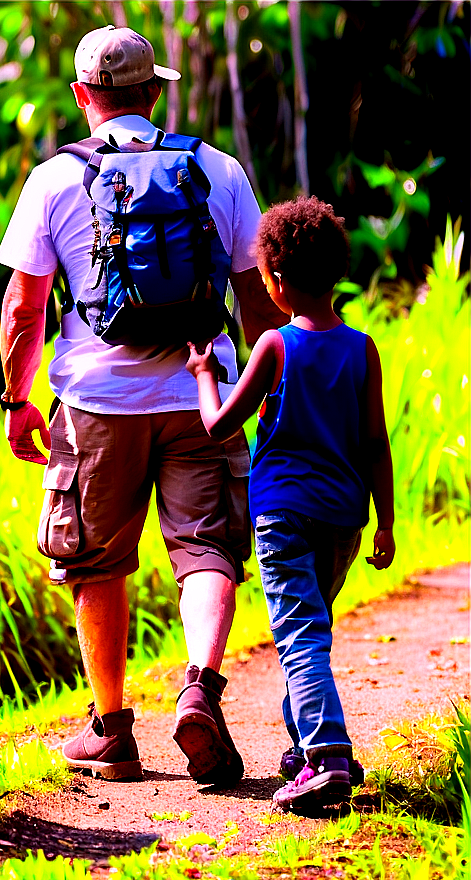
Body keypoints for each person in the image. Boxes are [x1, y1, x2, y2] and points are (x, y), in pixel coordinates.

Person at [0, 25, 288, 786]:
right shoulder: (216, 169)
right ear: (155, 92)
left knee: (95, 557)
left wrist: (17, 399)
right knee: (206, 546)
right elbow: (255, 292)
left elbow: (25, 307)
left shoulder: (54, 179)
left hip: (95, 401)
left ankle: (113, 730)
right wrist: (268, 390)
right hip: (206, 393)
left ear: (83, 95)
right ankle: (199, 685)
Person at [186, 195, 396, 811]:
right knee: (311, 632)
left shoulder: (275, 346)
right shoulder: (363, 350)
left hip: (282, 514)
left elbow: (221, 424)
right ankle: (306, 747)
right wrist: (387, 523)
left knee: (300, 635)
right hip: (343, 518)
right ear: (335, 273)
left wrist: (203, 372)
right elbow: (375, 442)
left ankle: (328, 755)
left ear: (274, 280)